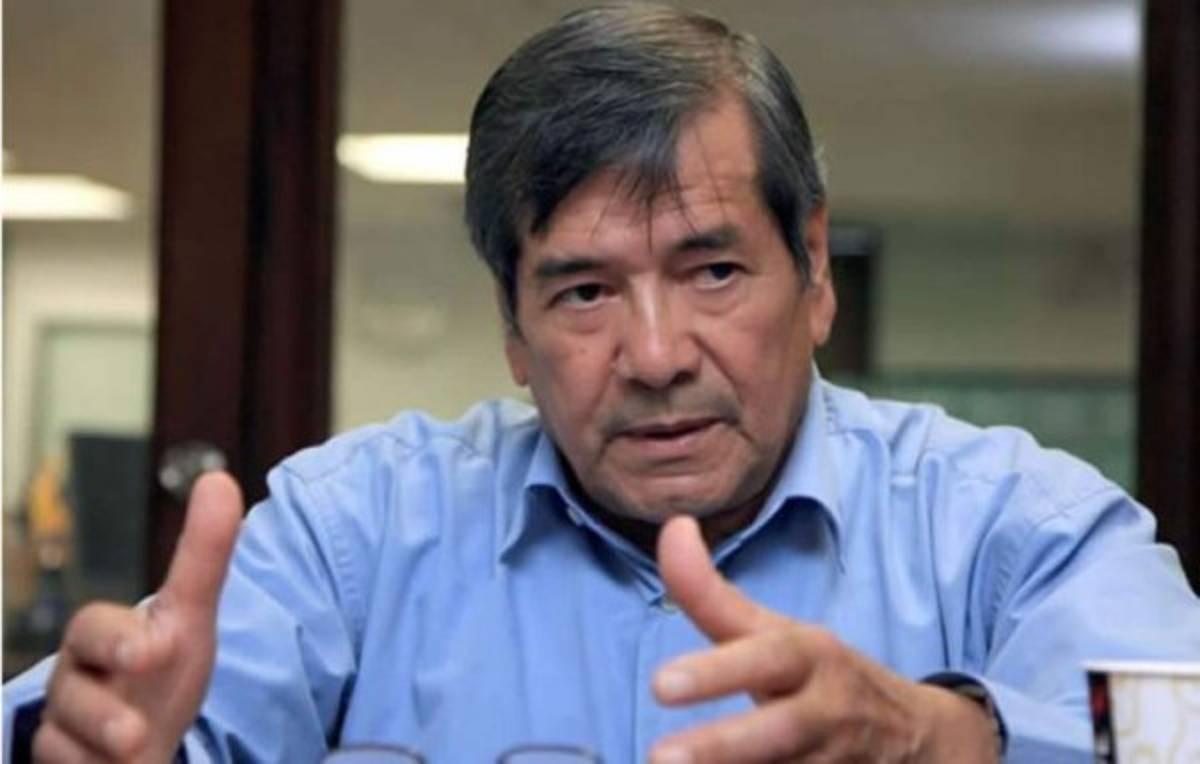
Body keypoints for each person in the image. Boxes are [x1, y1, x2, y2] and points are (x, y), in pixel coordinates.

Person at [6, 4, 1199, 762]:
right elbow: (111, 723)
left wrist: (943, 736)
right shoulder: (352, 535)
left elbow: (1175, 727)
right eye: (584, 291)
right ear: (513, 330)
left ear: (814, 271)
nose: (658, 352)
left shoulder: (1011, 527)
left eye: (713, 269)